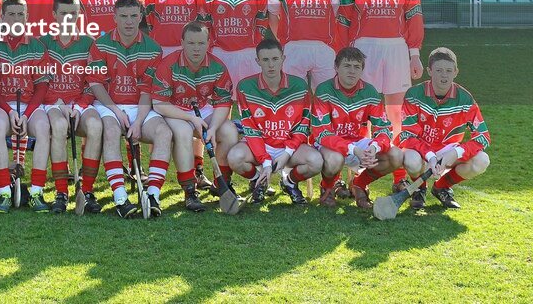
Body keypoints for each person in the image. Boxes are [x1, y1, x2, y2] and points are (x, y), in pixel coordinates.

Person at [338, 0, 424, 153]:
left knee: (396, 109)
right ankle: (362, 166)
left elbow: (413, 13)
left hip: (396, 46)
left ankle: (398, 165)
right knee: (364, 108)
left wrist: (414, 54)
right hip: (362, 49)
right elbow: (343, 18)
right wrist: (342, 55)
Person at [87, 0, 173, 218]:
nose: (128, 22)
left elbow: (147, 90)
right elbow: (96, 85)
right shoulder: (100, 44)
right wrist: (116, 111)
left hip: (140, 106)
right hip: (109, 105)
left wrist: (137, 121)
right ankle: (120, 197)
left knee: (164, 132)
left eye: (134, 16)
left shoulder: (153, 48)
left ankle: (152, 195)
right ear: (114, 17)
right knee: (112, 130)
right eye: (123, 16)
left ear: (141, 16)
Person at [151, 22, 239, 211]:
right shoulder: (169, 64)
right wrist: (191, 118)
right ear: (182, 42)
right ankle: (190, 190)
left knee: (229, 132)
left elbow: (224, 102)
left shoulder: (217, 66)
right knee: (183, 132)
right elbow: (159, 103)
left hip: (202, 108)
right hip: (174, 109)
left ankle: (222, 184)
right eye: (191, 43)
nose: (196, 48)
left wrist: (213, 128)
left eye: (201, 43)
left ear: (209, 43)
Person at [226, 39, 322, 205]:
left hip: (289, 146)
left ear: (283, 59)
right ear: (258, 61)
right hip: (260, 144)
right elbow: (250, 129)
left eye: (275, 59)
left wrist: (287, 153)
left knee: (316, 161)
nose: (271, 65)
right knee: (235, 157)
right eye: (265, 60)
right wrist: (266, 161)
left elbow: (302, 126)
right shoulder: (245, 87)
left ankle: (289, 182)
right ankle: (258, 181)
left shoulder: (300, 87)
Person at [397, 47, 490, 210]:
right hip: (421, 150)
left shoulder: (465, 98)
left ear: (456, 72)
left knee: (482, 161)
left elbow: (483, 137)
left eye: (448, 70)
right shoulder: (413, 94)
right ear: (429, 71)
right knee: (410, 160)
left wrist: (455, 153)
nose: (444, 75)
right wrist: (430, 156)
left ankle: (442, 187)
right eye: (439, 70)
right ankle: (420, 188)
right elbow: (407, 136)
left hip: (449, 149)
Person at [312, 46, 403, 209]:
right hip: (330, 146)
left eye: (357, 67)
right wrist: (352, 149)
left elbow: (384, 129)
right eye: (347, 66)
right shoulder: (323, 90)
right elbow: (322, 133)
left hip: (359, 143)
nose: (352, 71)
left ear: (362, 70)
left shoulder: (370, 92)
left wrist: (374, 147)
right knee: (335, 159)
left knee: (395, 155)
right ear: (336, 67)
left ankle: (359, 184)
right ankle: (327, 188)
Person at [40, 0, 103, 214]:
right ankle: (61, 191)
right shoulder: (42, 43)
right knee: (58, 126)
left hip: (80, 104)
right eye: (64, 13)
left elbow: (93, 82)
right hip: (52, 103)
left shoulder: (89, 43)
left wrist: (79, 105)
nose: (69, 18)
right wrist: (56, 101)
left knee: (96, 126)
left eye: (74, 14)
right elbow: (37, 82)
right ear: (54, 14)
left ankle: (86, 190)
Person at [0, 0, 50, 211]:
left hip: (29, 106)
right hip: (2, 105)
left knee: (43, 127)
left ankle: (36, 192)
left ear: (27, 17)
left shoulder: (37, 46)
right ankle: (3, 191)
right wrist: (8, 111)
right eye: (11, 14)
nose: (16, 19)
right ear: (2, 17)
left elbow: (42, 86)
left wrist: (26, 114)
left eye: (20, 14)